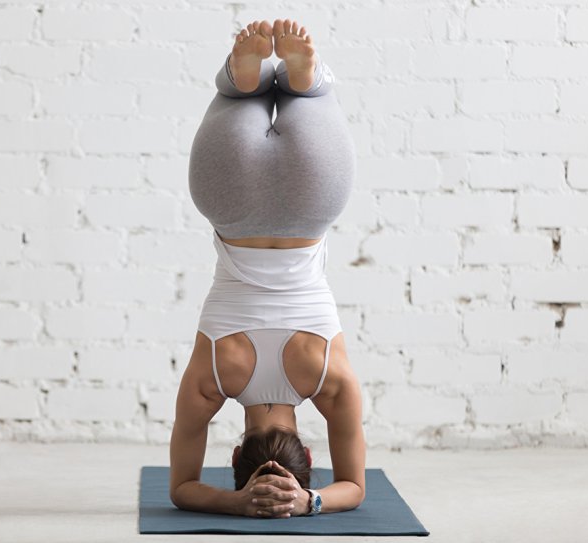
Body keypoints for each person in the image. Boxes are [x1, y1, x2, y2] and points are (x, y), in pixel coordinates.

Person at [169, 18, 363, 518]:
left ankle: (305, 79)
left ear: (310, 456)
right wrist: (236, 503)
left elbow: (354, 489)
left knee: (313, 98)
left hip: (311, 197)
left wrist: (309, 501)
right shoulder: (213, 378)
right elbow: (183, 488)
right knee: (238, 95)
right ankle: (244, 79)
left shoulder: (329, 379)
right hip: (231, 197)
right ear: (234, 455)